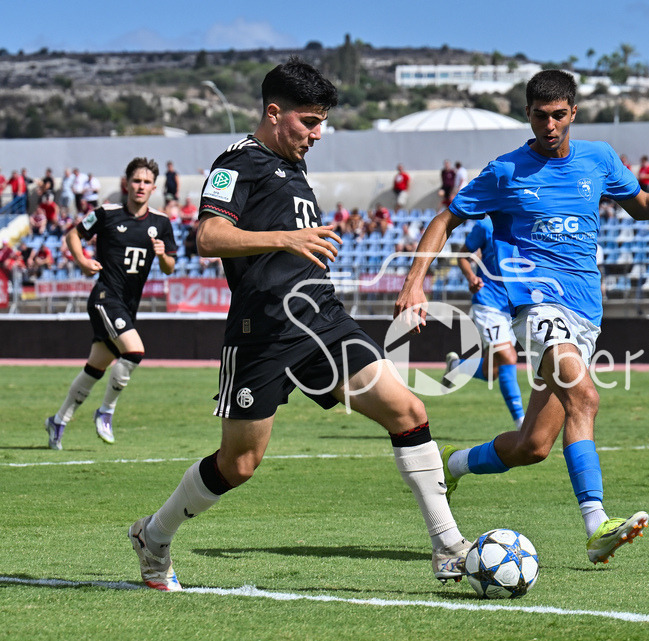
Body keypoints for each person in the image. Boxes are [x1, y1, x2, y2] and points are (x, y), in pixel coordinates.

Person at [127, 57, 471, 592]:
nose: (317, 133)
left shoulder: (294, 167)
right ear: (274, 113)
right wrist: (285, 238)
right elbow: (208, 238)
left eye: (321, 123)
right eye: (309, 122)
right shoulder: (237, 162)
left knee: (408, 410)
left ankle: (449, 548)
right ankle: (154, 534)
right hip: (262, 335)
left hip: (322, 322)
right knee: (239, 464)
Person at [395, 69, 649, 565]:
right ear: (527, 115)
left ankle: (453, 465)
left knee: (533, 445)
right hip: (535, 304)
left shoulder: (598, 158)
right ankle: (597, 525)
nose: (550, 125)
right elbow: (446, 218)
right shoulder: (505, 171)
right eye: (540, 116)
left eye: (559, 115)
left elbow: (638, 204)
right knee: (586, 396)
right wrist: (414, 281)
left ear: (573, 112)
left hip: (585, 309)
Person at [45, 157, 176, 451]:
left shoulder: (161, 223)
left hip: (128, 305)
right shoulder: (107, 213)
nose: (140, 186)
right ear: (126, 183)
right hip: (105, 297)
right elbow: (73, 235)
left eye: (146, 182)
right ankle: (106, 411)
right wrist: (81, 260)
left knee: (96, 366)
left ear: (154, 187)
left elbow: (169, 266)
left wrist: (162, 254)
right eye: (136, 181)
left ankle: (58, 419)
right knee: (135, 351)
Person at [445, 216, 526, 429]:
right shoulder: (485, 226)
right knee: (508, 356)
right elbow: (463, 255)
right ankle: (522, 423)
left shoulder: (526, 222)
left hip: (511, 306)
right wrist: (471, 276)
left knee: (493, 371)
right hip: (487, 302)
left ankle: (456, 367)